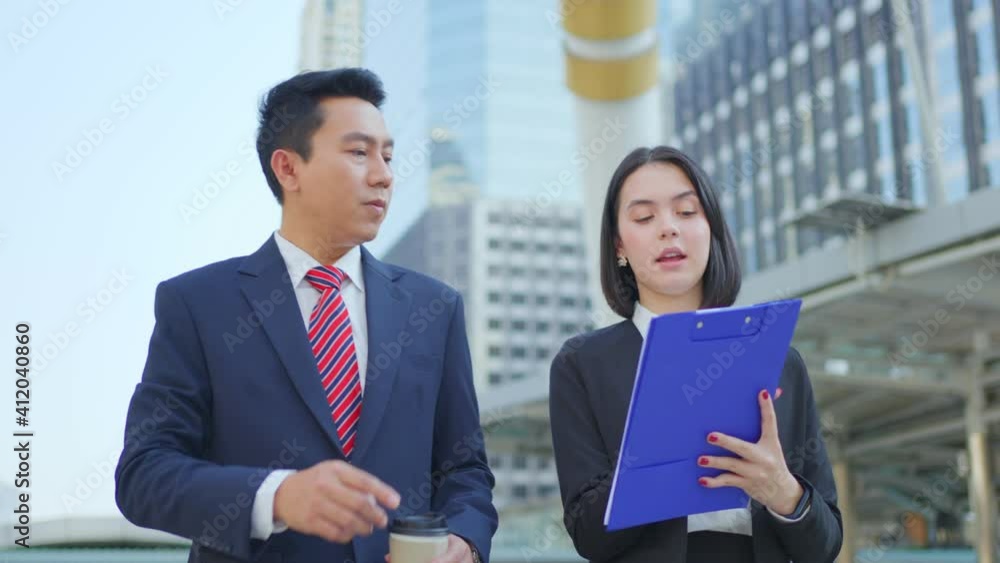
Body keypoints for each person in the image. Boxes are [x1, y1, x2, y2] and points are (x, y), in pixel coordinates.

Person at [115, 68, 496, 563]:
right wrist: (275, 496)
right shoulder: (197, 304)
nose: (383, 174)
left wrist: (464, 540)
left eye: (388, 155)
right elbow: (144, 474)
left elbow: (464, 469)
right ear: (289, 169)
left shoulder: (434, 308)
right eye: (359, 153)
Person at [548, 146, 842, 562]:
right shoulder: (582, 364)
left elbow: (826, 545)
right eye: (644, 217)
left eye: (687, 212)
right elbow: (588, 535)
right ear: (619, 246)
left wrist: (783, 491)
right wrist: (663, 452)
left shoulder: (779, 360)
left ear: (712, 229)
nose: (668, 228)